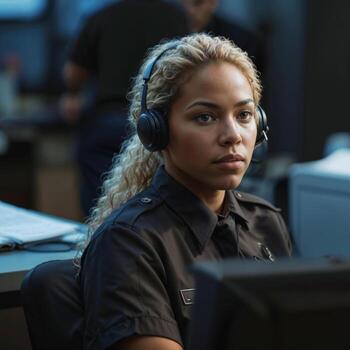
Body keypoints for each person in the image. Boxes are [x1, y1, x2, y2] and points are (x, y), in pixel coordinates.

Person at [78, 33, 293, 350]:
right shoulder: (128, 243)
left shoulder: (265, 221)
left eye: (244, 115)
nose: (232, 135)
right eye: (205, 117)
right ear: (157, 132)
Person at [60, 0, 188, 216]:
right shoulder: (176, 15)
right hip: (157, 122)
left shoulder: (100, 16)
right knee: (156, 203)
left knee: (102, 205)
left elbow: (73, 74)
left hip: (108, 121)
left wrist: (73, 93)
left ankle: (102, 240)